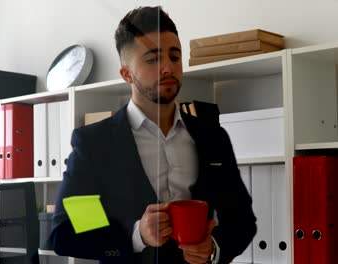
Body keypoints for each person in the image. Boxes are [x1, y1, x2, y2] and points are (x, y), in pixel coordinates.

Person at [50, 6, 257, 264]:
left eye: (174, 56)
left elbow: (242, 219)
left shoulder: (213, 137)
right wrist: (137, 235)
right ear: (126, 73)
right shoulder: (96, 144)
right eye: (152, 59)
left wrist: (213, 249)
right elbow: (65, 233)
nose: (168, 68)